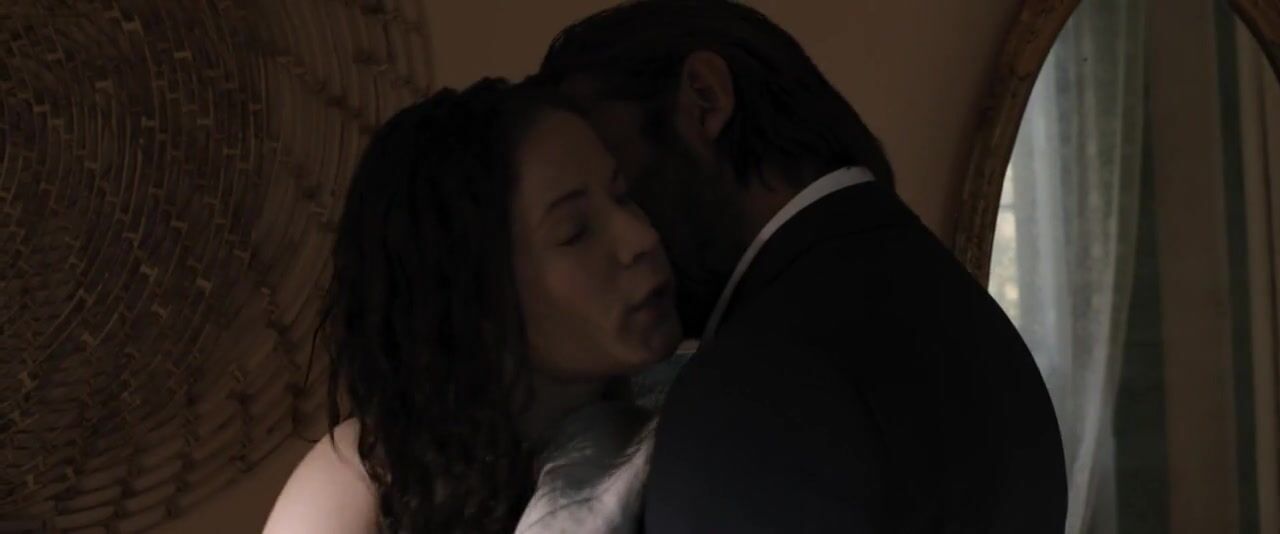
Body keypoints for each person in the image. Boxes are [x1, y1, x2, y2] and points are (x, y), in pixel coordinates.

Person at [536, 0, 1068, 531]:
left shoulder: (752, 391)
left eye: (618, 182)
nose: (628, 234)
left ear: (704, 98)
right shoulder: (974, 328)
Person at [261, 78, 682, 533]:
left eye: (621, 196)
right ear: (476, 293)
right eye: (574, 232)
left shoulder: (691, 404)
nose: (643, 238)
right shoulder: (368, 476)